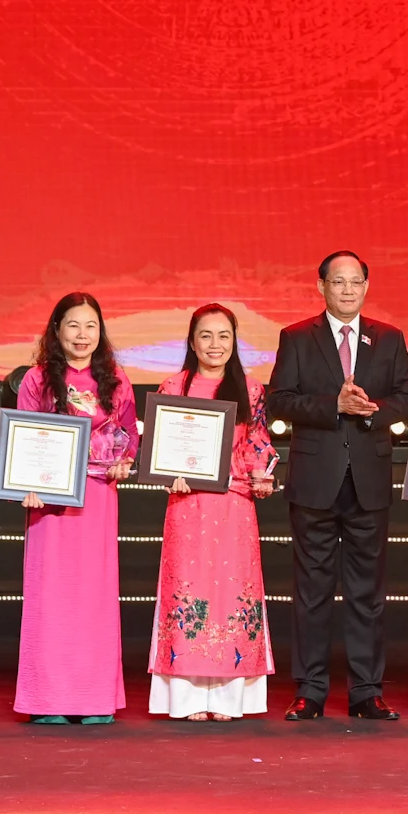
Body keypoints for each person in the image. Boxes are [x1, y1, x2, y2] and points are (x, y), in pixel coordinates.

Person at [267, 251, 408, 721]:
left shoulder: (389, 339)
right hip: (315, 481)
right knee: (311, 592)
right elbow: (279, 400)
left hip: (369, 481)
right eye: (338, 282)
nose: (348, 290)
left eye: (356, 282)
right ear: (321, 286)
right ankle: (309, 691)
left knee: (367, 593)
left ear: (367, 286)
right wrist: (334, 406)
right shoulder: (296, 338)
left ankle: (365, 691)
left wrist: (373, 411)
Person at [148, 304, 280, 722]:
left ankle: (227, 699)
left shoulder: (251, 389)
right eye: (206, 336)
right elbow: (161, 446)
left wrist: (261, 473)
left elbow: (257, 442)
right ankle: (187, 698)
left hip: (235, 507)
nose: (215, 344)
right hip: (189, 507)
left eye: (224, 336)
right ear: (191, 342)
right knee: (189, 592)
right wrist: (172, 475)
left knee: (230, 596)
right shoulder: (174, 386)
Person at [13, 293, 137, 724]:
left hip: (99, 497)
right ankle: (48, 700)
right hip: (51, 502)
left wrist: (125, 461)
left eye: (90, 326)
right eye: (73, 325)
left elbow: (128, 436)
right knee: (52, 596)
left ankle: (92, 698)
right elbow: (25, 439)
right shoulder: (36, 379)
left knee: (93, 596)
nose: (82, 335)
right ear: (57, 330)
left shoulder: (115, 379)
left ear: (100, 332)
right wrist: (27, 484)